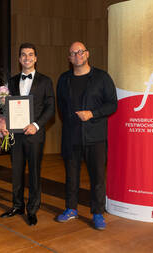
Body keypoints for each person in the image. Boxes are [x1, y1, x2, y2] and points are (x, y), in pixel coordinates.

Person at [56, 41, 117, 230]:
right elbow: (61, 107)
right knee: (71, 175)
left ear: (87, 54)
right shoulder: (64, 79)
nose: (77, 56)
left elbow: (112, 104)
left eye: (80, 52)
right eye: (73, 53)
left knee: (97, 176)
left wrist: (93, 114)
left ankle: (98, 212)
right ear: (69, 58)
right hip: (71, 136)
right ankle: (71, 209)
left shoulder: (102, 77)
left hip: (95, 136)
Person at [0, 43, 55, 226]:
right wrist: (5, 122)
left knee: (34, 173)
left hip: (34, 134)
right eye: (23, 55)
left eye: (30, 55)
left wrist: (36, 125)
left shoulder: (45, 81)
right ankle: (17, 205)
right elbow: (6, 107)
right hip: (15, 135)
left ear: (36, 58)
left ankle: (32, 209)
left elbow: (50, 108)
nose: (27, 58)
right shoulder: (12, 81)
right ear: (19, 59)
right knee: (16, 172)